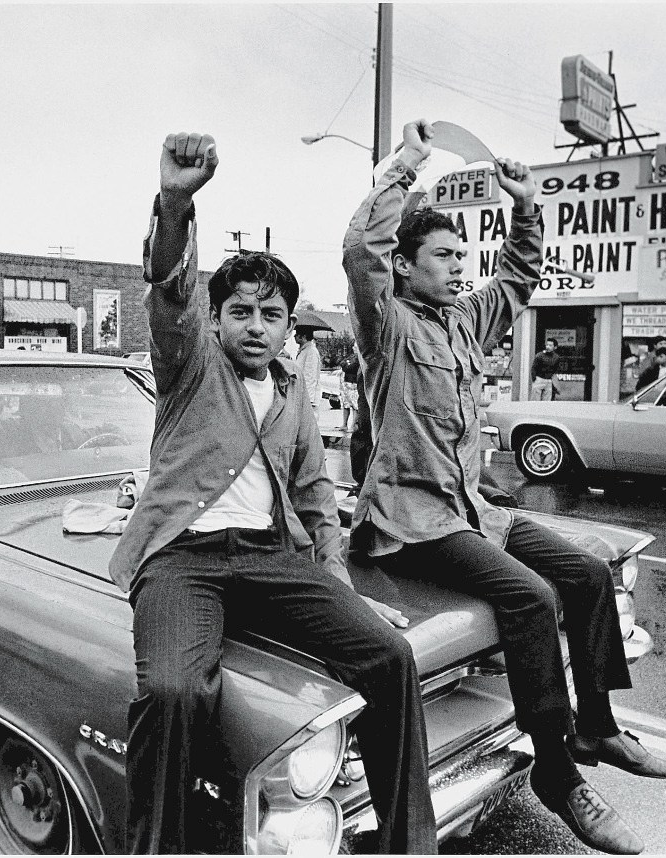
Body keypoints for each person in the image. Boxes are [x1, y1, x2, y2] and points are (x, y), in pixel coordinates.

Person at [344, 119, 666, 856]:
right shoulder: (388, 324)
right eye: (441, 256)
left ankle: (596, 726)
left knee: (587, 574)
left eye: (460, 254)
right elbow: (358, 251)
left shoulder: (464, 321)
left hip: (474, 512)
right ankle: (558, 778)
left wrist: (525, 203)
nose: (457, 267)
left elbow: (520, 276)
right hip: (413, 521)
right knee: (530, 599)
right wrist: (402, 168)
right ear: (403, 268)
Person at [108, 131, 435, 855]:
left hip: (267, 558)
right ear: (217, 319)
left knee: (388, 655)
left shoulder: (293, 396)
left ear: (289, 326)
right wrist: (174, 201)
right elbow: (167, 289)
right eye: (241, 312)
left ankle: (408, 845)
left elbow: (317, 498)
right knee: (173, 692)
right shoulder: (189, 366)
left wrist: (341, 586)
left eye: (272, 314)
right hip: (181, 561)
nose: (256, 326)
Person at [292, 325, 321, 407]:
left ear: (303, 336)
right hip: (300, 394)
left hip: (308, 399)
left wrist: (308, 399)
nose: (294, 336)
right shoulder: (304, 350)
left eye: (297, 334)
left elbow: (310, 377)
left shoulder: (311, 352)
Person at [339, 348, 360, 432]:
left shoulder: (359, 358)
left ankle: (353, 425)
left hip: (354, 384)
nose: (353, 347)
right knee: (345, 405)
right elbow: (342, 362)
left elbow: (351, 367)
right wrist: (346, 364)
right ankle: (344, 424)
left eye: (355, 345)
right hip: (346, 383)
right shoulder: (351, 356)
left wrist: (346, 364)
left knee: (355, 406)